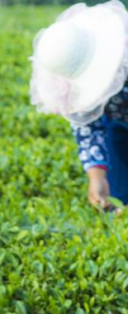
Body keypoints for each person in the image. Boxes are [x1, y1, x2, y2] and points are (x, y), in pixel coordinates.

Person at [30, 0, 128, 210]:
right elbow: (86, 123)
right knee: (119, 201)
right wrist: (96, 176)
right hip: (119, 127)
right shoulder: (71, 72)